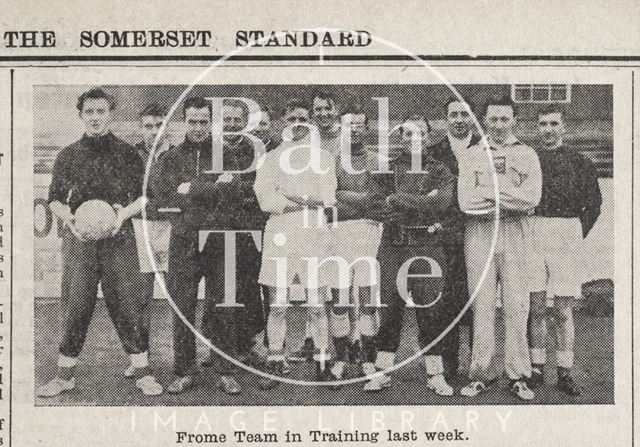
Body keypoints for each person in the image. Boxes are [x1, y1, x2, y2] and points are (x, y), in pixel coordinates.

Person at [37, 88, 162, 397]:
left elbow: (144, 196)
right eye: (89, 112)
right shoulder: (68, 154)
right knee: (76, 304)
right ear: (81, 116)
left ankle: (142, 371)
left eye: (101, 111)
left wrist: (122, 217)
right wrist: (71, 221)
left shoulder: (127, 153)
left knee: (127, 304)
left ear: (110, 114)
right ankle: (65, 375)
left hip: (119, 237)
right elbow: (54, 199)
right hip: (80, 240)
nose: (95, 117)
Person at [158, 97, 263, 395]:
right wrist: (213, 188)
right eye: (193, 121)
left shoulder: (226, 156)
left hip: (220, 242)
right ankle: (184, 371)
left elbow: (234, 192)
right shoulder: (171, 157)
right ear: (184, 122)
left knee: (224, 309)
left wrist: (191, 188)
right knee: (183, 308)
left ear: (210, 122)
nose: (199, 127)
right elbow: (164, 197)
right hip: (184, 242)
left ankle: (225, 370)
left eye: (204, 121)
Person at [363, 115, 457, 395]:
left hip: (427, 244)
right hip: (393, 245)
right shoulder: (387, 170)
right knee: (390, 309)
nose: (412, 139)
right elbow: (376, 206)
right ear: (400, 138)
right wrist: (421, 202)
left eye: (419, 133)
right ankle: (383, 372)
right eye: (406, 134)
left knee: (431, 309)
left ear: (427, 137)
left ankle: (435, 374)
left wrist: (399, 199)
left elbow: (441, 204)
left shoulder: (441, 170)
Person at [458, 94, 541, 401]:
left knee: (518, 305)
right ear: (485, 121)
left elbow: (531, 198)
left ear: (514, 121)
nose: (498, 125)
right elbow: (467, 203)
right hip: (480, 235)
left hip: (516, 236)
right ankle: (481, 373)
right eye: (493, 119)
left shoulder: (527, 154)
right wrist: (510, 200)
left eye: (505, 118)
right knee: (482, 305)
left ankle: (518, 375)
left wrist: (490, 195)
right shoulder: (472, 154)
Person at [254, 98, 337, 389]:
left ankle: (323, 364)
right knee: (278, 305)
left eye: (303, 118)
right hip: (280, 237)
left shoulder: (324, 159)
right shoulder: (270, 159)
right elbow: (265, 201)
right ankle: (276, 360)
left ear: (310, 122)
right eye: (292, 118)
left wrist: (289, 196)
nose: (297, 124)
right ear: (283, 122)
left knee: (316, 305)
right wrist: (301, 203)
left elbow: (327, 199)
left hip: (314, 236)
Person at [527, 105, 602, 396]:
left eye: (553, 124)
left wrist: (574, 232)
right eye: (543, 124)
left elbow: (594, 204)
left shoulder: (580, 161)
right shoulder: (529, 157)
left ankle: (564, 371)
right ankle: (535, 368)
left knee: (562, 309)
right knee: (535, 308)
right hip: (534, 230)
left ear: (563, 127)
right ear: (537, 128)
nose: (548, 129)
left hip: (566, 234)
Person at [324, 108, 383, 386]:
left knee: (368, 302)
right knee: (340, 302)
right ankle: (342, 359)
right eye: (350, 126)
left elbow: (377, 202)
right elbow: (329, 200)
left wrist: (345, 197)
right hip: (338, 233)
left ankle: (369, 360)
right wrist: (358, 199)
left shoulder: (378, 161)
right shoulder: (332, 163)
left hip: (369, 234)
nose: (355, 130)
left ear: (367, 128)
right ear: (342, 128)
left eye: (360, 125)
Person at [429, 98, 480, 380]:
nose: (459, 119)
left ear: (472, 118)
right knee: (446, 300)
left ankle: (477, 366)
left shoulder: (485, 148)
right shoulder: (434, 152)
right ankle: (449, 365)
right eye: (454, 114)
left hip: (477, 230)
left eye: (464, 114)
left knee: (477, 299)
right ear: (446, 118)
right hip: (444, 234)